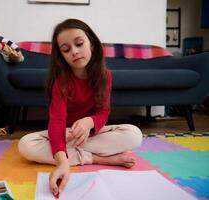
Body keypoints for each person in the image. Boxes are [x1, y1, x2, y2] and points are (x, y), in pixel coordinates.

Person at [18, 18, 142, 197]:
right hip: (65, 135)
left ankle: (74, 154)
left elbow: (103, 112)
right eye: (66, 50)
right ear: (62, 56)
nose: (74, 52)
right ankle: (100, 159)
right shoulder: (61, 81)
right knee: (25, 145)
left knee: (134, 135)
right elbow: (57, 122)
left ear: (91, 44)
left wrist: (89, 122)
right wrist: (62, 163)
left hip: (91, 134)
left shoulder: (104, 76)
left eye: (79, 44)